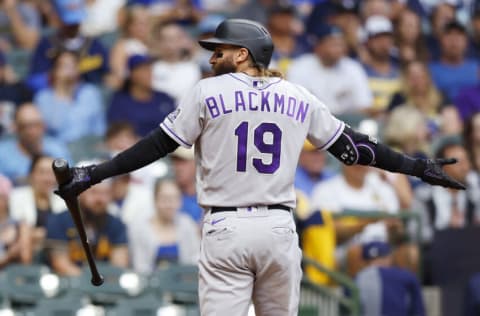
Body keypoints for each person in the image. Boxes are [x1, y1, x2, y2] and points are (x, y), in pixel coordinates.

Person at [54, 19, 464, 316]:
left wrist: (93, 174)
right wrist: (415, 166)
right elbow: (354, 149)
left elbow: (154, 147)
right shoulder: (298, 95)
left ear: (243, 54)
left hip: (225, 228)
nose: (213, 56)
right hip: (278, 230)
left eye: (221, 49)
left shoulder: (207, 91)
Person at [47, 166, 128, 276]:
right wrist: (91, 282)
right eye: (94, 192)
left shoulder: (117, 224)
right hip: (69, 286)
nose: (100, 199)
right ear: (79, 193)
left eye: (105, 193)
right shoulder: (58, 221)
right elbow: (60, 264)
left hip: (108, 286)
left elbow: (119, 265)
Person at [287, 24, 372, 115]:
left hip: (345, 123)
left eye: (341, 44)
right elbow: (293, 105)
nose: (338, 49)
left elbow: (364, 105)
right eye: (333, 44)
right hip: (310, 121)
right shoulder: (300, 66)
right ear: (318, 46)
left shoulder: (353, 68)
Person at [128, 179, 200, 274]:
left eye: (175, 198)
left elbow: (195, 258)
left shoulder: (187, 224)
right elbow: (139, 266)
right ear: (155, 199)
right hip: (150, 285)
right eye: (165, 199)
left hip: (183, 284)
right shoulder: (140, 228)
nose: (170, 204)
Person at [33, 49, 106, 144]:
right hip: (58, 148)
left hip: (87, 147)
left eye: (73, 65)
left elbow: (99, 128)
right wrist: (60, 90)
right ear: (54, 71)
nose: (69, 69)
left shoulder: (90, 92)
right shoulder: (43, 97)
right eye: (64, 66)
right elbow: (55, 126)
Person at [9, 155, 66, 261]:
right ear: (31, 175)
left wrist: (37, 234)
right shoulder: (17, 196)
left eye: (51, 173)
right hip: (25, 251)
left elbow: (64, 232)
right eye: (42, 172)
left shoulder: (62, 200)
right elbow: (19, 232)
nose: (47, 178)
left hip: (56, 253)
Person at [0, 103, 71, 185]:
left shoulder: (58, 149)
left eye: (37, 125)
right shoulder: (2, 153)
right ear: (15, 128)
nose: (32, 131)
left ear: (44, 126)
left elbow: (69, 181)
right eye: (25, 126)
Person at [107, 54, 176, 137]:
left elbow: (176, 128)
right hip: (135, 147)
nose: (150, 74)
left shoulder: (164, 98)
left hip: (166, 147)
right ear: (132, 74)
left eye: (150, 69)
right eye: (144, 70)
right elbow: (117, 133)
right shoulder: (120, 101)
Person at [355, 241, 425, 316]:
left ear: (365, 261)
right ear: (389, 257)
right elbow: (418, 311)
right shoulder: (407, 276)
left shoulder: (357, 279)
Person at [0, 173, 32, 268]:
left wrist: (20, 245)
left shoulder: (20, 225)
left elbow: (26, 259)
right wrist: (9, 255)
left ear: (6, 199)